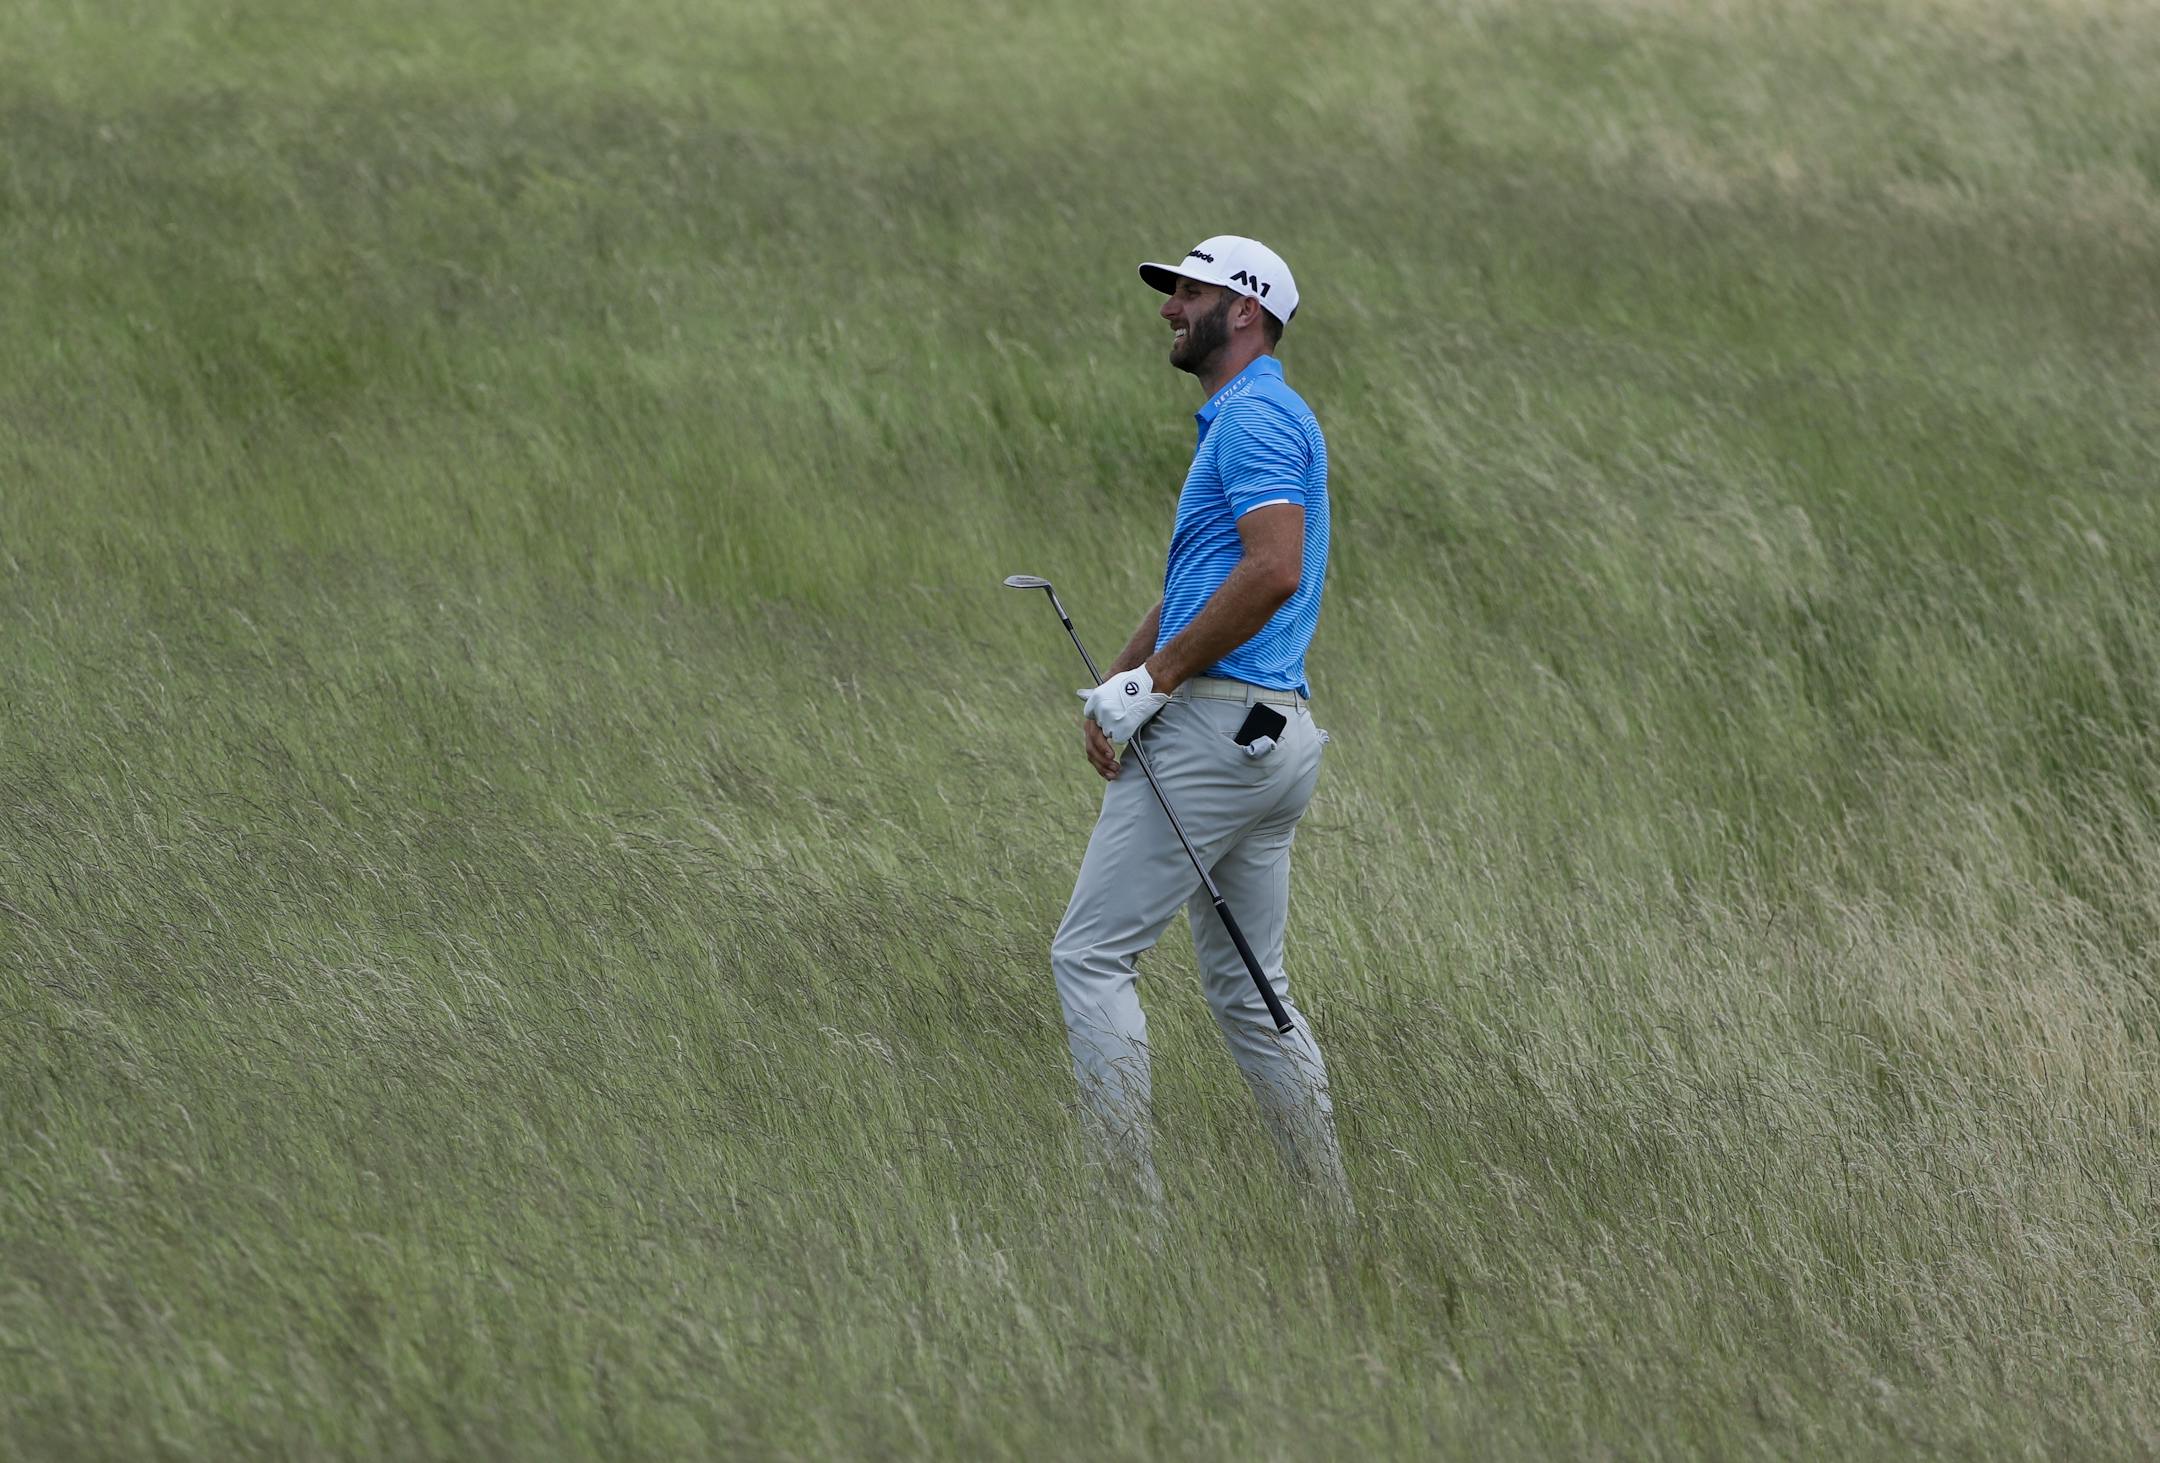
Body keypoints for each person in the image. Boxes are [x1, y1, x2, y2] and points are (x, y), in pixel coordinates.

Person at [1054, 234, 1350, 1214]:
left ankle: (1125, 1224)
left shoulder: (1258, 412)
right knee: (1247, 989)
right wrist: (1126, 678)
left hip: (1218, 732)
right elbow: (1200, 583)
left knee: (1090, 957)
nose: (1171, 306)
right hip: (1273, 738)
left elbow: (1273, 570)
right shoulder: (1247, 416)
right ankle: (1329, 1218)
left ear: (1248, 309)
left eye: (1188, 290)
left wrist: (1159, 683)